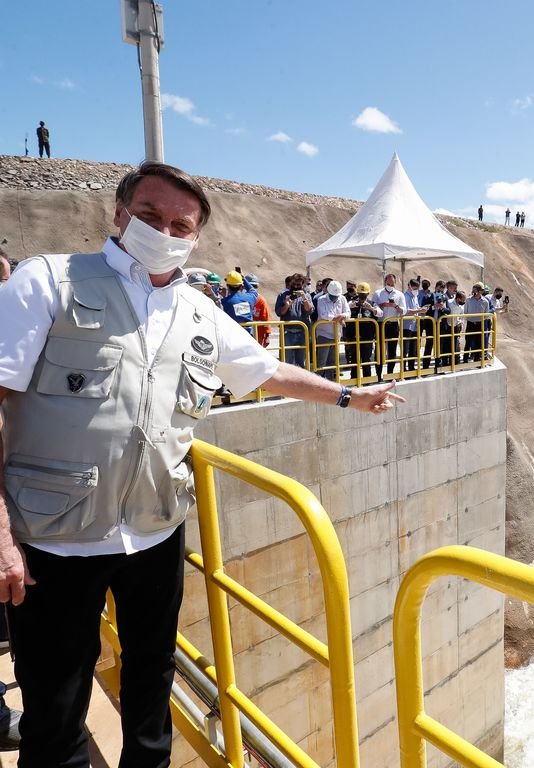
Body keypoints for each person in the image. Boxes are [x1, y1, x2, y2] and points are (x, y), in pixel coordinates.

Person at [0, 160, 403, 768]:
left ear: (195, 238)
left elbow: (267, 372)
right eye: (149, 216)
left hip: (155, 530)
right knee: (55, 707)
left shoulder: (198, 311)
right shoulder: (47, 283)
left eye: (180, 225)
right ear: (118, 215)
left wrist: (349, 395)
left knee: (151, 684)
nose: (164, 231)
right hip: (54, 540)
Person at [371, 274, 406, 379]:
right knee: (379, 350)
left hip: (393, 323)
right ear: (385, 281)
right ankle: (378, 375)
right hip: (381, 324)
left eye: (392, 283)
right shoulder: (378, 293)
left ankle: (390, 374)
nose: (390, 285)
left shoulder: (399, 295)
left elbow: (403, 311)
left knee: (392, 350)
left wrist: (395, 305)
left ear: (395, 283)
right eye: (388, 283)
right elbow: (374, 308)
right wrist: (383, 305)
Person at [275, 273, 313, 368]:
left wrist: (304, 298)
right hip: (288, 333)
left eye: (298, 285)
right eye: (294, 284)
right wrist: (287, 304)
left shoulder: (307, 296)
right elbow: (279, 313)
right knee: (288, 362)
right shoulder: (282, 295)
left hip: (302, 332)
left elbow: (310, 311)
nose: (296, 287)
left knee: (301, 362)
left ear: (303, 284)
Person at [315, 280, 349, 379]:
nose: (335, 298)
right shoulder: (321, 299)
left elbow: (348, 312)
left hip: (336, 335)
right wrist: (339, 319)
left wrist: (342, 316)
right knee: (322, 361)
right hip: (324, 335)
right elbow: (324, 314)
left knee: (332, 362)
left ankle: (329, 382)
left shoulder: (342, 299)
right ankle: (318, 382)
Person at [348, 281, 381, 381]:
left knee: (366, 359)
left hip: (367, 336)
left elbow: (380, 313)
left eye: (364, 294)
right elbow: (342, 310)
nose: (362, 297)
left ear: (368, 294)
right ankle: (354, 379)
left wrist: (371, 309)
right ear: (357, 293)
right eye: (360, 294)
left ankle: (367, 379)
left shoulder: (372, 303)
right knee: (354, 359)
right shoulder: (351, 302)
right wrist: (350, 307)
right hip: (353, 336)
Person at [402, 278, 427, 373]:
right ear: (409, 286)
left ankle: (411, 368)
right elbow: (407, 310)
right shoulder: (405, 296)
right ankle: (403, 368)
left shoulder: (415, 296)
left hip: (415, 325)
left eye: (417, 288)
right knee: (405, 348)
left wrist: (422, 309)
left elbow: (416, 308)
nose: (416, 290)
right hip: (407, 325)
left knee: (413, 348)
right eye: (414, 287)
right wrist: (420, 310)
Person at [435, 280, 458, 371]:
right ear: (448, 288)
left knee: (449, 344)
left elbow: (449, 310)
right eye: (453, 288)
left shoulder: (454, 297)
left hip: (449, 324)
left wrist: (443, 308)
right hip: (438, 323)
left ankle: (448, 362)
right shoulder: (442, 296)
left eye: (456, 288)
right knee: (440, 344)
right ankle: (439, 363)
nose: (455, 290)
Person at [464, 283, 490, 364]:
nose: (474, 292)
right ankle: (465, 359)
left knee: (479, 342)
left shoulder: (485, 302)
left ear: (480, 291)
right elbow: (465, 312)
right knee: (468, 342)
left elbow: (486, 314)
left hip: (479, 324)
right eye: (474, 290)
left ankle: (477, 360)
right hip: (470, 324)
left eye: (477, 290)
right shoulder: (468, 300)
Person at [246, 273, 272, 348]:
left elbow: (266, 318)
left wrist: (267, 336)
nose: (252, 288)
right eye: (250, 285)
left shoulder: (261, 301)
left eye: (254, 286)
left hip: (258, 335)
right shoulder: (242, 299)